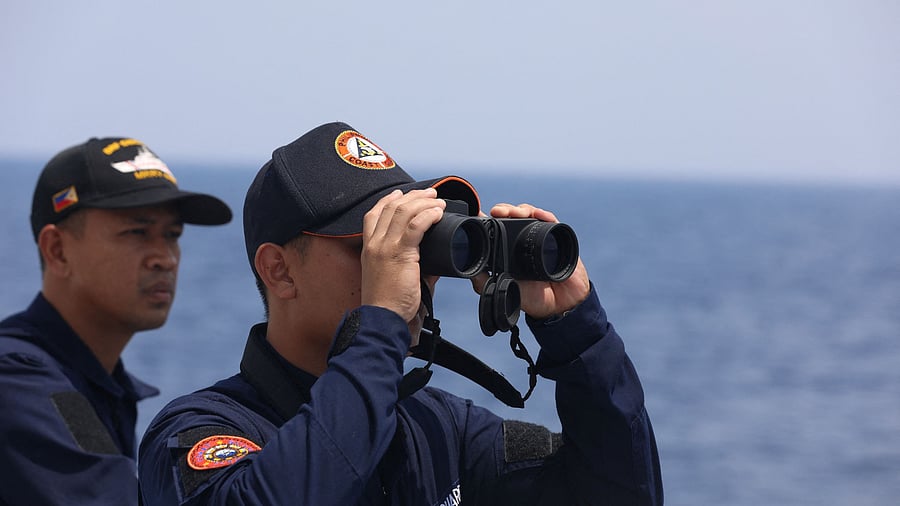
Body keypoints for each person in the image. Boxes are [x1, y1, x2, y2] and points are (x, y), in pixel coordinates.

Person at [138, 122, 663, 505]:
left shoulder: (440, 430)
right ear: (279, 271)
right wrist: (381, 324)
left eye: (416, 244)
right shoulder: (196, 433)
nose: (408, 270)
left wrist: (578, 335)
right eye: (373, 246)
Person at [0, 137, 232, 505]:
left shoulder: (86, 383)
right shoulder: (18, 382)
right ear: (57, 250)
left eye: (172, 236)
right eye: (137, 232)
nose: (166, 258)